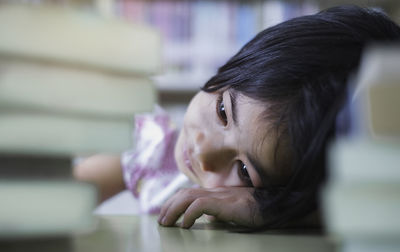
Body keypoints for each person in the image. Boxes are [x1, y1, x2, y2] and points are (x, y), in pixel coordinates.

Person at [74, 5, 400, 229]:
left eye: (244, 170)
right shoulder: (151, 147)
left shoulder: (289, 209)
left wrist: (275, 212)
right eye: (222, 111)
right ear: (230, 66)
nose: (204, 153)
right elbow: (61, 200)